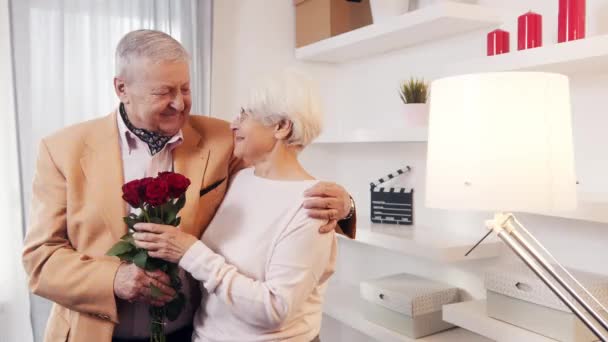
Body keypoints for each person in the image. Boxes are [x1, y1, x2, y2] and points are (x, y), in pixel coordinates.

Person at [22, 29, 355, 342]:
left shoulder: (224, 139)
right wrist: (114, 280)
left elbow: (279, 177)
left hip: (190, 332)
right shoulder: (63, 150)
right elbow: (40, 259)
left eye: (185, 88)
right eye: (164, 92)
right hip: (96, 333)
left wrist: (346, 204)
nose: (180, 103)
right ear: (122, 88)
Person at [134, 70, 336, 341]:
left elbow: (275, 309)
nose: (233, 124)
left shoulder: (313, 207)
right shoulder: (241, 179)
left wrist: (190, 252)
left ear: (281, 127)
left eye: (245, 114)